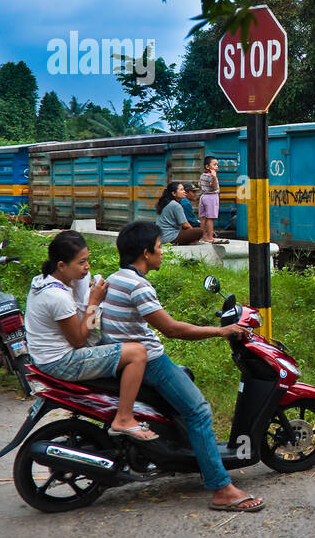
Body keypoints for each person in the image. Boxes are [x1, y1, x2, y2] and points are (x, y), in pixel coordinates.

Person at [99, 220, 264, 512]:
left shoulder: (115, 279)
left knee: (186, 382)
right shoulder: (138, 285)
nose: (163, 252)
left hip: (124, 358)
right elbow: (173, 330)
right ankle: (221, 489)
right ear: (146, 253)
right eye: (160, 247)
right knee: (199, 411)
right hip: (149, 361)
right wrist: (222, 331)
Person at [24, 230, 154, 441]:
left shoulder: (44, 281)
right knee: (137, 353)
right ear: (62, 266)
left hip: (45, 357)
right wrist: (94, 301)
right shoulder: (57, 297)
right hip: (61, 362)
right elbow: (79, 340)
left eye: (88, 260)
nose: (87, 267)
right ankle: (124, 418)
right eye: (82, 262)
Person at [155, 182, 205, 246]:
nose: (184, 192)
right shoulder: (176, 205)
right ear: (174, 193)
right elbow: (185, 225)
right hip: (170, 237)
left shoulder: (166, 203)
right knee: (199, 232)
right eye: (181, 190)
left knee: (192, 235)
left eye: (184, 189)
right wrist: (194, 234)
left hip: (161, 237)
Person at [196, 156, 227, 244]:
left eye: (217, 165)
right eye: (214, 165)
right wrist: (214, 177)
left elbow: (199, 185)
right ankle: (210, 237)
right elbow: (214, 187)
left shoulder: (203, 175)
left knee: (204, 218)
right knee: (210, 218)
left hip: (204, 196)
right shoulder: (211, 176)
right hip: (211, 197)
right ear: (207, 166)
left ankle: (202, 237)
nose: (217, 166)